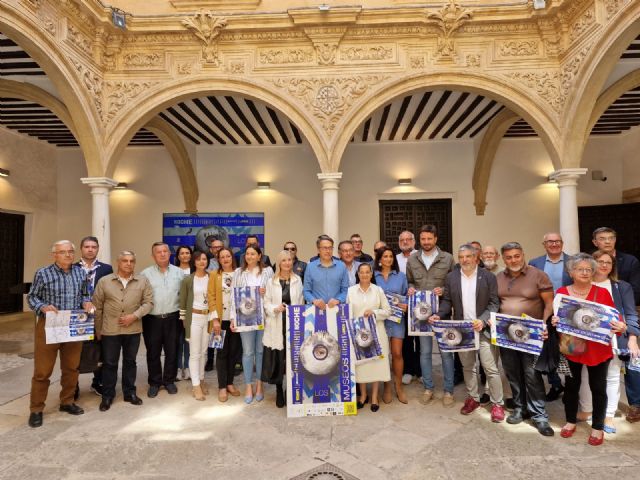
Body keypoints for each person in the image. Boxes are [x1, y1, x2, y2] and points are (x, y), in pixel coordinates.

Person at [554, 253, 626, 446]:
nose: (585, 273)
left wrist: (621, 326)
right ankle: (570, 421)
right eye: (580, 269)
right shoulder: (561, 292)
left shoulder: (602, 293)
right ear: (571, 272)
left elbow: (614, 316)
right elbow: (557, 318)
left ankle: (598, 427)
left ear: (593, 272)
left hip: (598, 347)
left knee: (598, 388)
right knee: (571, 386)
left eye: (588, 269)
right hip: (571, 345)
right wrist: (554, 321)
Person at [430, 244, 504, 422]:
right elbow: (447, 301)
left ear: (476, 258)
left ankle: (497, 404)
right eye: (461, 257)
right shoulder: (452, 277)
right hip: (462, 331)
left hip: (483, 328)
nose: (464, 260)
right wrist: (439, 314)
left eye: (468, 257)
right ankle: (474, 398)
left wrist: (484, 319)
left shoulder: (488, 277)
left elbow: (494, 303)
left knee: (490, 368)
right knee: (468, 367)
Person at [27, 240, 93, 428]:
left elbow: (84, 295)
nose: (68, 255)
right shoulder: (43, 273)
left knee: (72, 367)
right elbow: (32, 297)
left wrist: (86, 303)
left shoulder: (81, 272)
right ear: (54, 255)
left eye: (70, 252)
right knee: (42, 371)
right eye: (63, 252)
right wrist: (43, 307)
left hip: (72, 325)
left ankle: (67, 402)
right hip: (50, 325)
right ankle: (36, 409)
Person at [496, 241, 554, 436]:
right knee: (512, 372)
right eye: (509, 257)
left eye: (517, 256)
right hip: (506, 335)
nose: (513, 260)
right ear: (503, 259)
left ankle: (539, 415)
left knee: (532, 374)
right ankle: (520, 408)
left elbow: (549, 304)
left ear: (523, 255)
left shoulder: (538, 275)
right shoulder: (498, 278)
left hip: (531, 335)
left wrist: (543, 325)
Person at [578, 250, 640, 432]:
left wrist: (632, 338)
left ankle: (609, 415)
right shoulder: (581, 285)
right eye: (600, 261)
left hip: (613, 337)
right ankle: (587, 410)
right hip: (586, 338)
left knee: (613, 376)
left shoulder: (622, 287)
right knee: (584, 374)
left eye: (608, 262)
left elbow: (630, 314)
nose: (604, 265)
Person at [93, 250, 153, 411]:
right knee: (109, 364)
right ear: (118, 263)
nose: (128, 264)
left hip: (132, 330)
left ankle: (129, 393)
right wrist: (98, 329)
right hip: (110, 330)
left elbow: (148, 303)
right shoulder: (105, 281)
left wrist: (134, 316)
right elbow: (97, 307)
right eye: (125, 261)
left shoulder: (142, 281)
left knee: (130, 362)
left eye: (131, 261)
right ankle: (107, 395)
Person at [405, 224, 456, 406]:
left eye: (429, 238)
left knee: (445, 353)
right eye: (423, 239)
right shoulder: (412, 259)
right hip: (421, 314)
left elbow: (453, 283)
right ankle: (428, 388)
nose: (426, 242)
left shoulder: (448, 258)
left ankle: (448, 391)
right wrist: (410, 288)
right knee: (425, 352)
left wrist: (442, 290)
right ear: (420, 240)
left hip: (442, 312)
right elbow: (410, 280)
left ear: (435, 239)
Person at [529, 232, 571, 402]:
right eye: (550, 241)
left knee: (568, 350)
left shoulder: (572, 262)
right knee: (546, 350)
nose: (554, 244)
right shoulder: (535, 263)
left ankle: (571, 387)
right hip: (544, 312)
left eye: (558, 241)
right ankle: (555, 384)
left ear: (562, 243)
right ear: (544, 244)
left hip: (568, 314)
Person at [140, 242, 184, 397]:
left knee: (172, 351)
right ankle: (154, 382)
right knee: (153, 352)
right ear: (153, 256)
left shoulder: (180, 273)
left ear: (170, 254)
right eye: (158, 252)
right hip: (152, 319)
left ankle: (169, 381)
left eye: (165, 251)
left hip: (173, 318)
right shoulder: (145, 274)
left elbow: (184, 298)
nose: (163, 254)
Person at [231, 244, 274, 403]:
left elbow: (274, 292)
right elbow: (233, 296)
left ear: (259, 255)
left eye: (253, 254)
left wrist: (266, 291)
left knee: (260, 351)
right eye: (247, 254)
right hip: (244, 318)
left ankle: (259, 383)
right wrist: (233, 318)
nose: (249, 256)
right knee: (248, 352)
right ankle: (249, 385)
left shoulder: (268, 271)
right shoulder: (238, 272)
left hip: (263, 317)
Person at [348, 263, 392, 412]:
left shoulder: (378, 290)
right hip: (358, 335)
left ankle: (374, 397)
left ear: (371, 274)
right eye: (362, 272)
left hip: (377, 333)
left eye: (367, 272)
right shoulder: (350, 291)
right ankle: (363, 396)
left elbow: (388, 311)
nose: (365, 275)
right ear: (358, 274)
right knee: (361, 365)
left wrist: (374, 312)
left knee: (375, 365)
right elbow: (346, 313)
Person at [263, 250, 304, 408]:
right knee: (279, 359)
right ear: (279, 263)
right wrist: (275, 308)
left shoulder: (297, 280)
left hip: (292, 323)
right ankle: (279, 390)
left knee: (293, 358)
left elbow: (301, 301)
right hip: (277, 322)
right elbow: (266, 303)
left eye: (290, 260)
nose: (287, 263)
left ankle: (292, 390)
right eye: (284, 260)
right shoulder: (271, 281)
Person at [75, 236, 113, 398]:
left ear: (98, 249)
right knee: (75, 351)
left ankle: (98, 382)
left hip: (99, 316)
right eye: (87, 247)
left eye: (93, 247)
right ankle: (73, 386)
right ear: (81, 249)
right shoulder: (72, 267)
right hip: (77, 316)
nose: (90, 249)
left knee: (100, 350)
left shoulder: (106, 269)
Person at [374, 247, 409, 404]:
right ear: (379, 259)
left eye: (390, 256)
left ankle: (399, 387)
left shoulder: (401, 276)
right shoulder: (373, 276)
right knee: (383, 354)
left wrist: (406, 305)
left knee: (396, 353)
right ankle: (387, 386)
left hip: (396, 320)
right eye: (385, 256)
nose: (388, 259)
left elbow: (407, 295)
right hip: (379, 320)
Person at [207, 247, 242, 402]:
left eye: (228, 256)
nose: (226, 259)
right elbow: (211, 297)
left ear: (232, 257)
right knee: (221, 353)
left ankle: (229, 383)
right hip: (220, 321)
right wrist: (215, 319)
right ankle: (221, 386)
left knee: (234, 353)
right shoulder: (214, 275)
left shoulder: (240, 274)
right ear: (218, 259)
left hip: (237, 321)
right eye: (222, 257)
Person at [179, 250, 212, 401]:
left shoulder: (212, 278)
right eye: (198, 259)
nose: (201, 262)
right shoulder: (188, 280)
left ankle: (202, 379)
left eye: (204, 259)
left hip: (208, 317)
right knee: (195, 353)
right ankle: (195, 385)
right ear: (194, 261)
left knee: (204, 352)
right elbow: (183, 301)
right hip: (194, 318)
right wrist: (184, 322)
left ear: (207, 261)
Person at [592, 227, 640, 305]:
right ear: (595, 242)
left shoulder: (630, 261)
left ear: (615, 240)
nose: (607, 242)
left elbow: (636, 290)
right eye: (602, 239)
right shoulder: (588, 261)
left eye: (611, 238)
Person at [396, 230, 420, 385]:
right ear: (399, 243)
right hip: (402, 306)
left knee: (421, 340)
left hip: (420, 304)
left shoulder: (420, 256)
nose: (405, 242)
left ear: (414, 241)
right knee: (406, 340)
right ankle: (408, 370)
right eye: (402, 240)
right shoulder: (395, 259)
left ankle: (421, 370)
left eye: (408, 239)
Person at [303, 235, 349, 310]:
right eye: (324, 248)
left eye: (330, 248)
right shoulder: (310, 267)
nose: (328, 251)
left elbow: (345, 290)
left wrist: (338, 300)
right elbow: (306, 291)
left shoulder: (342, 266)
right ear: (318, 250)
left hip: (336, 309)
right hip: (316, 309)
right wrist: (314, 301)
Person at [174, 245, 192, 381]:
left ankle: (187, 367)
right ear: (178, 256)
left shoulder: (195, 271)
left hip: (191, 310)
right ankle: (178, 367)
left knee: (188, 339)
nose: (185, 255)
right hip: (175, 309)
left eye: (187, 253)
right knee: (177, 340)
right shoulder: (173, 271)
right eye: (182, 253)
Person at [206, 239, 224, 369]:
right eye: (215, 247)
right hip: (212, 300)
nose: (217, 249)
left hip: (226, 302)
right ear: (211, 250)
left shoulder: (229, 260)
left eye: (220, 247)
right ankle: (210, 359)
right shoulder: (208, 262)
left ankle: (224, 360)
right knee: (214, 330)